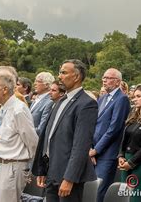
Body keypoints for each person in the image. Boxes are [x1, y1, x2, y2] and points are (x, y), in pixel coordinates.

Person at [32, 59, 98, 202]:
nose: (59, 76)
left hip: (67, 176)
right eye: (60, 72)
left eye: (64, 72)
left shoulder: (87, 104)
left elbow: (81, 145)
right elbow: (49, 135)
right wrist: (42, 168)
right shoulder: (61, 100)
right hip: (52, 172)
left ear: (76, 76)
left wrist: (70, 178)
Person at [0, 70, 39, 202]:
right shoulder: (3, 107)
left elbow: (32, 141)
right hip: (0, 164)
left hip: (12, 167)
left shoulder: (19, 109)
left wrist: (26, 168)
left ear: (4, 89)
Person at [90, 68, 130, 202]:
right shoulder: (102, 98)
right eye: (103, 78)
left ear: (117, 81)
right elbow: (94, 125)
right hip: (94, 152)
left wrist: (96, 150)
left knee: (99, 191)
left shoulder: (122, 99)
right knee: (90, 190)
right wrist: (91, 148)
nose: (104, 80)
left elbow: (114, 129)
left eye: (108, 78)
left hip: (107, 153)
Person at [118, 84, 141, 202]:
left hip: (140, 163)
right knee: (124, 196)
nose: (134, 99)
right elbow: (124, 138)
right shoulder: (133, 113)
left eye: (138, 96)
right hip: (125, 161)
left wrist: (132, 162)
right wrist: (121, 155)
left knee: (136, 198)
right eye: (133, 97)